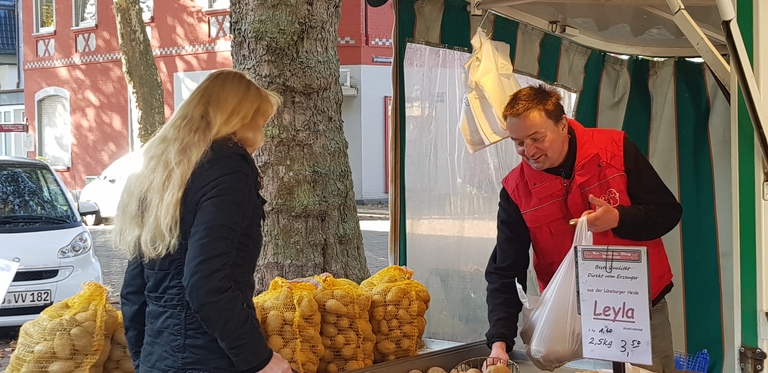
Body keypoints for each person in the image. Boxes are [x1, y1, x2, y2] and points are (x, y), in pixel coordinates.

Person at [485, 84, 682, 373]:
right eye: (518, 142)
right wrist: (500, 340)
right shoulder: (515, 190)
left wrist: (618, 218)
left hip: (639, 308)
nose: (529, 151)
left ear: (563, 124)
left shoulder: (615, 149)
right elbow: (506, 268)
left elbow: (667, 212)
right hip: (571, 317)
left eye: (537, 138)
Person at [113, 69, 292, 373]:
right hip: (209, 358)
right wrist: (259, 359)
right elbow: (205, 283)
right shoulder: (228, 167)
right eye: (260, 122)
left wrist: (146, 361)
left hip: (160, 356)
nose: (261, 135)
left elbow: (133, 289)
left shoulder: (163, 171)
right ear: (241, 119)